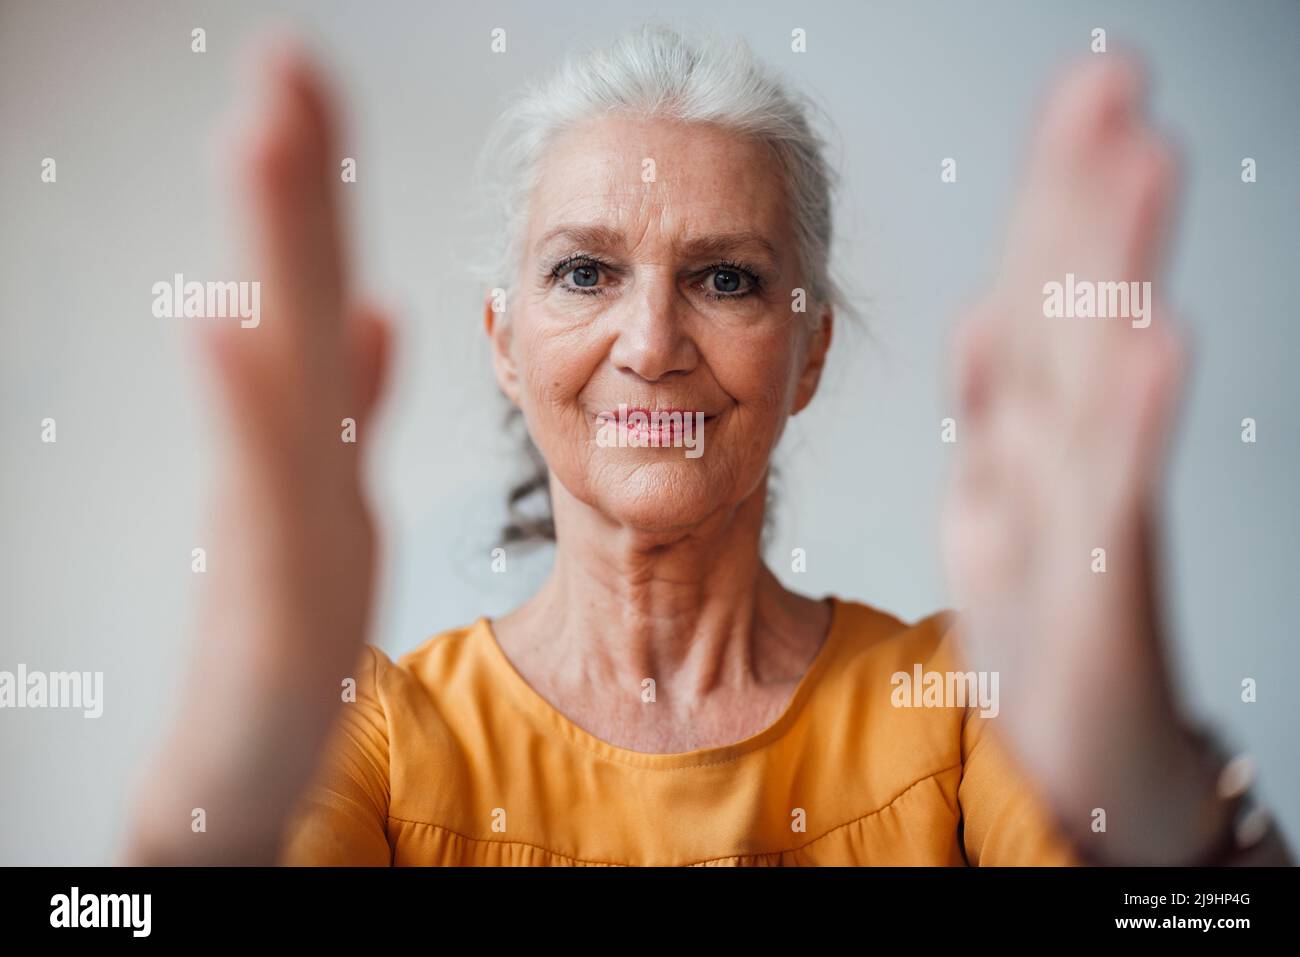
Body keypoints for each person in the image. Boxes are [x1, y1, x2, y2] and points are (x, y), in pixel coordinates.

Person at [122, 22, 1293, 866]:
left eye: (725, 279)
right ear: (503, 343)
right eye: (585, 272)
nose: (649, 340)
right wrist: (208, 825)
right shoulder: (377, 734)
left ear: (810, 353)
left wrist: (1155, 822)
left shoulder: (962, 706)